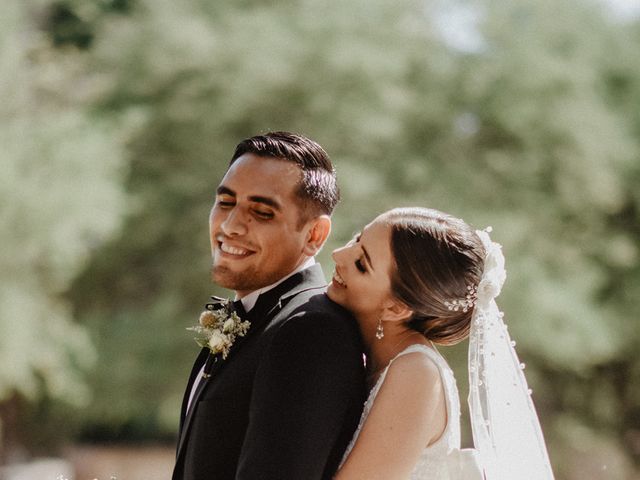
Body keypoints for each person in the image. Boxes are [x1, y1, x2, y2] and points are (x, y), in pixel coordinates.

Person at [172, 132, 366, 480]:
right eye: (226, 203)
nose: (230, 226)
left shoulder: (311, 331)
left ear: (315, 235)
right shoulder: (257, 316)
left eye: (261, 212)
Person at [329, 207, 555, 479]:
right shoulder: (384, 359)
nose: (338, 255)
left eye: (361, 264)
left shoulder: (416, 373)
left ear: (397, 308)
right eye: (356, 240)